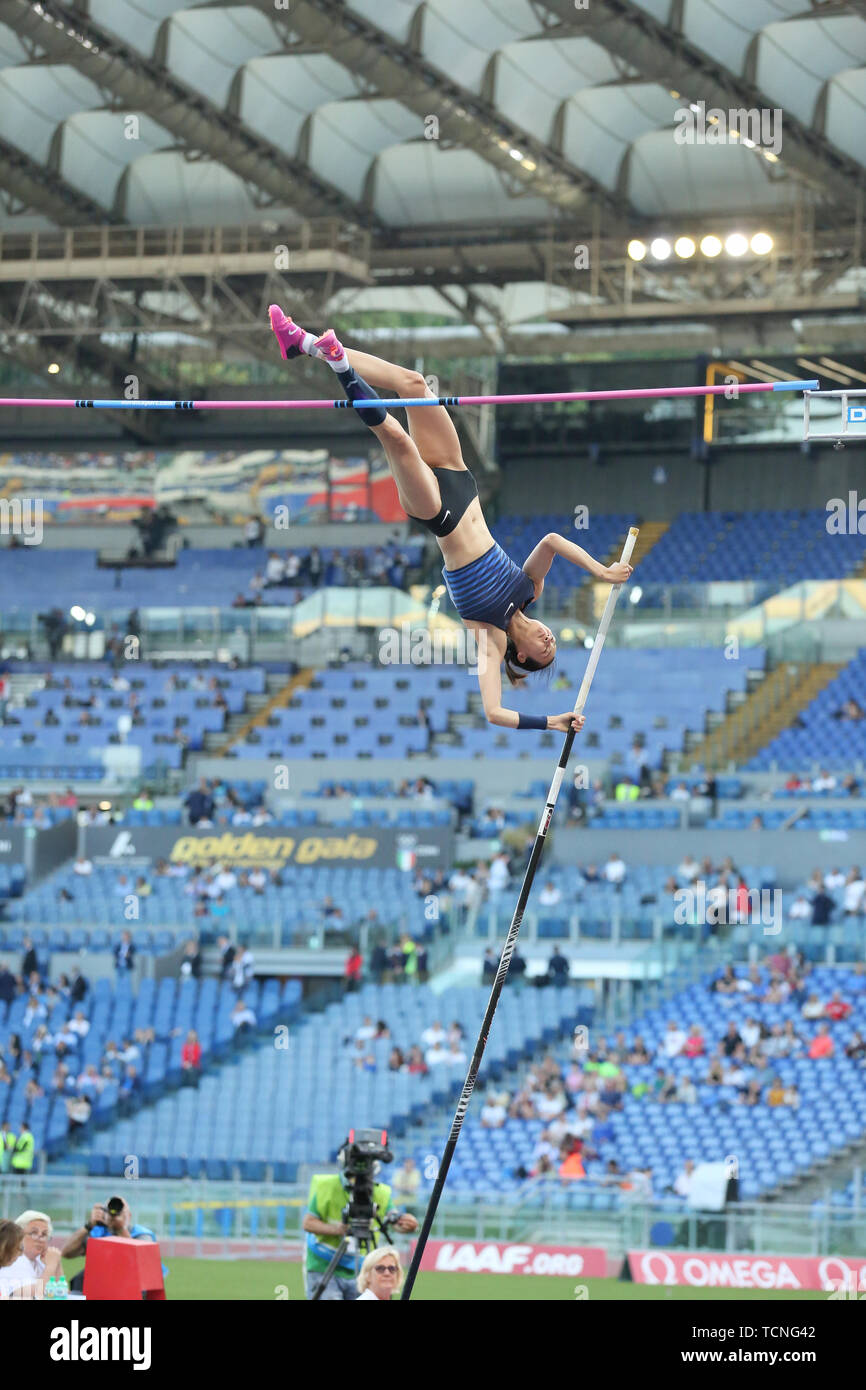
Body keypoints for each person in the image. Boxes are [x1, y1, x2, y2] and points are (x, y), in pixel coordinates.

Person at [269, 305, 632, 731]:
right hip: (461, 480)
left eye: (543, 654)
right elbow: (553, 541)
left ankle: (341, 364)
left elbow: (494, 713)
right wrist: (602, 572)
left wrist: (551, 721)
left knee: (397, 441)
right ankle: (306, 345)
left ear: (521, 657)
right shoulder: (531, 588)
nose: (550, 641)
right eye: (552, 643)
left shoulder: (491, 640)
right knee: (413, 384)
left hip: (440, 514)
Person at [302, 1145, 417, 1300]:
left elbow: (394, 1219)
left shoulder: (380, 1192)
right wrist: (338, 1230)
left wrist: (405, 1223)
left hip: (363, 1267)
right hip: (324, 1265)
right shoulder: (326, 1186)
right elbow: (308, 1223)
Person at [0, 1211, 60, 1295]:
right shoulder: (14, 1261)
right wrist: (51, 1266)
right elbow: (33, 1294)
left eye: (44, 1234)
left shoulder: (40, 1261)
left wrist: (57, 1262)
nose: (40, 1239)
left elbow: (62, 1292)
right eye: (34, 1233)